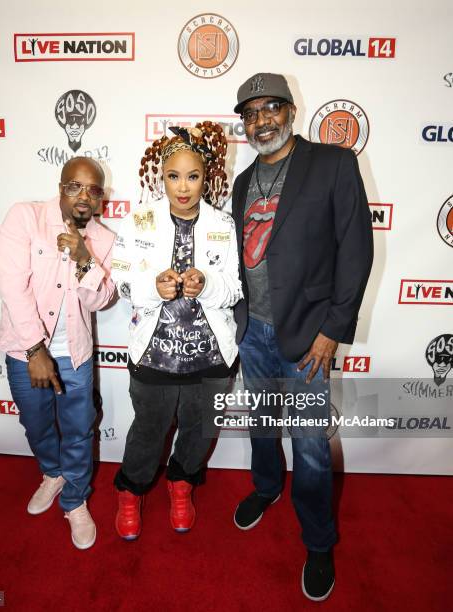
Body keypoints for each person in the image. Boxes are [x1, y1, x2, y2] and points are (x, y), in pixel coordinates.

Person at [230, 73, 373, 600]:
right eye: (251, 112)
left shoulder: (333, 164)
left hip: (310, 335)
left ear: (291, 111)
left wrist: (332, 331)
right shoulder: (243, 183)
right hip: (254, 334)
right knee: (263, 426)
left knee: (310, 444)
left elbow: (356, 250)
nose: (261, 120)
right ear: (243, 124)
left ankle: (318, 540)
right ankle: (267, 488)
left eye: (271, 108)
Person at [111, 122, 242, 540]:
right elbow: (120, 280)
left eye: (193, 176)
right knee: (148, 430)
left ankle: (181, 485)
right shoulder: (140, 220)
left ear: (208, 177)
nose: (183, 187)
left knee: (199, 428)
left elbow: (236, 287)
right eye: (173, 176)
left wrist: (210, 285)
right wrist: (153, 286)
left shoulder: (224, 222)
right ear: (160, 175)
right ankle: (131, 493)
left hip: (211, 356)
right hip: (154, 353)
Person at [0, 157, 116, 550]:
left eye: (93, 190)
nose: (84, 197)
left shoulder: (104, 239)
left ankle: (75, 499)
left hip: (75, 355)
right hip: (25, 350)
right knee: (36, 424)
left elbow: (101, 300)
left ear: (101, 197)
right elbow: (12, 286)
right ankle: (52, 472)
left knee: (80, 432)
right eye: (75, 186)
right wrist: (35, 350)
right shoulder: (25, 218)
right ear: (60, 185)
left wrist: (84, 258)